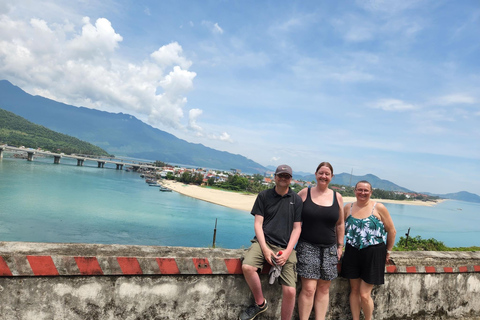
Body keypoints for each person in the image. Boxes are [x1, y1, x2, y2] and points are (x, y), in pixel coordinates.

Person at [239, 164, 303, 320]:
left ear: (290, 180)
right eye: (280, 175)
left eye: (286, 176)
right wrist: (265, 249)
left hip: (285, 247)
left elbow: (297, 229)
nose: (283, 178)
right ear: (275, 177)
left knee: (290, 291)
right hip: (264, 242)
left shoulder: (296, 200)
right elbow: (258, 224)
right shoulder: (264, 196)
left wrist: (288, 251)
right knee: (247, 267)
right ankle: (260, 303)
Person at [341, 180, 396, 320]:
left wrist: (388, 251)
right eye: (360, 189)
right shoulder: (348, 207)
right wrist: (339, 246)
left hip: (373, 253)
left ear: (371, 192)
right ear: (355, 191)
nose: (362, 193)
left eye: (366, 190)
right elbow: (339, 228)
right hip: (352, 251)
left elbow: (391, 231)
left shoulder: (379, 208)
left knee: (365, 294)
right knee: (354, 290)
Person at [296, 162, 344, 320]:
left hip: (329, 248)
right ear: (316, 174)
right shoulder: (305, 193)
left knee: (324, 288)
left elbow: (340, 223)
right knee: (309, 289)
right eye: (321, 173)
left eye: (327, 174)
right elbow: (292, 218)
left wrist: (340, 245)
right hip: (307, 246)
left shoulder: (337, 197)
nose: (324, 176)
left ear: (332, 177)